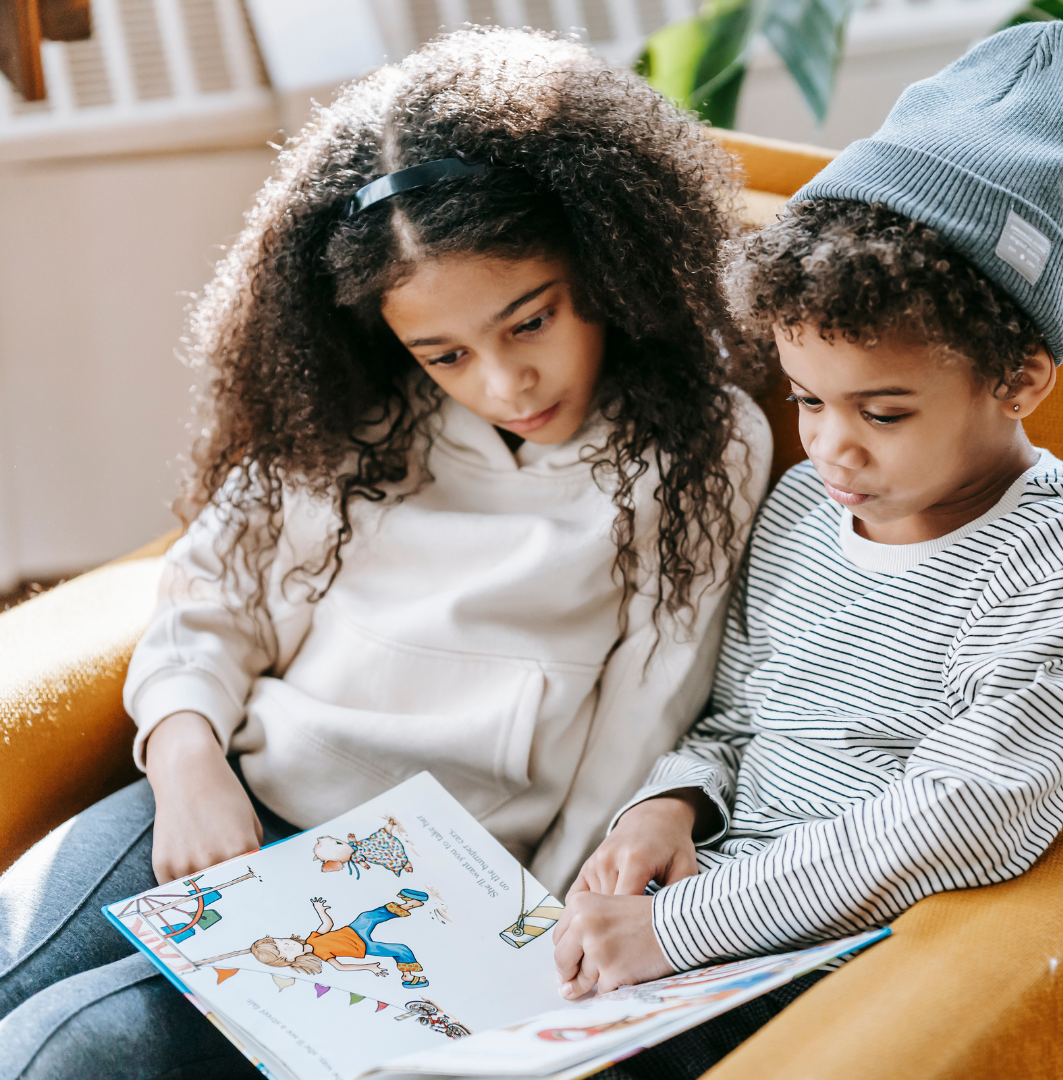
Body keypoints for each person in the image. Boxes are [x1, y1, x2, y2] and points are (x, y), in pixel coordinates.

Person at [0, 26, 770, 1080]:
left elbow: (648, 713)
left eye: (530, 321)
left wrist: (527, 937)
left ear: (601, 259)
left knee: (67, 1054)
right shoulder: (361, 413)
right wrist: (185, 758)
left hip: (419, 889)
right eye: (445, 353)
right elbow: (213, 597)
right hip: (230, 797)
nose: (505, 384)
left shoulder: (702, 444)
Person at [555, 20, 1063, 1080]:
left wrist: (680, 931)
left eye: (882, 413)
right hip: (700, 925)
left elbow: (967, 817)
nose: (829, 446)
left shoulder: (1054, 558)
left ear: (1020, 378)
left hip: (835, 966)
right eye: (805, 399)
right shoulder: (801, 509)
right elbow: (742, 715)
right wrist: (672, 803)